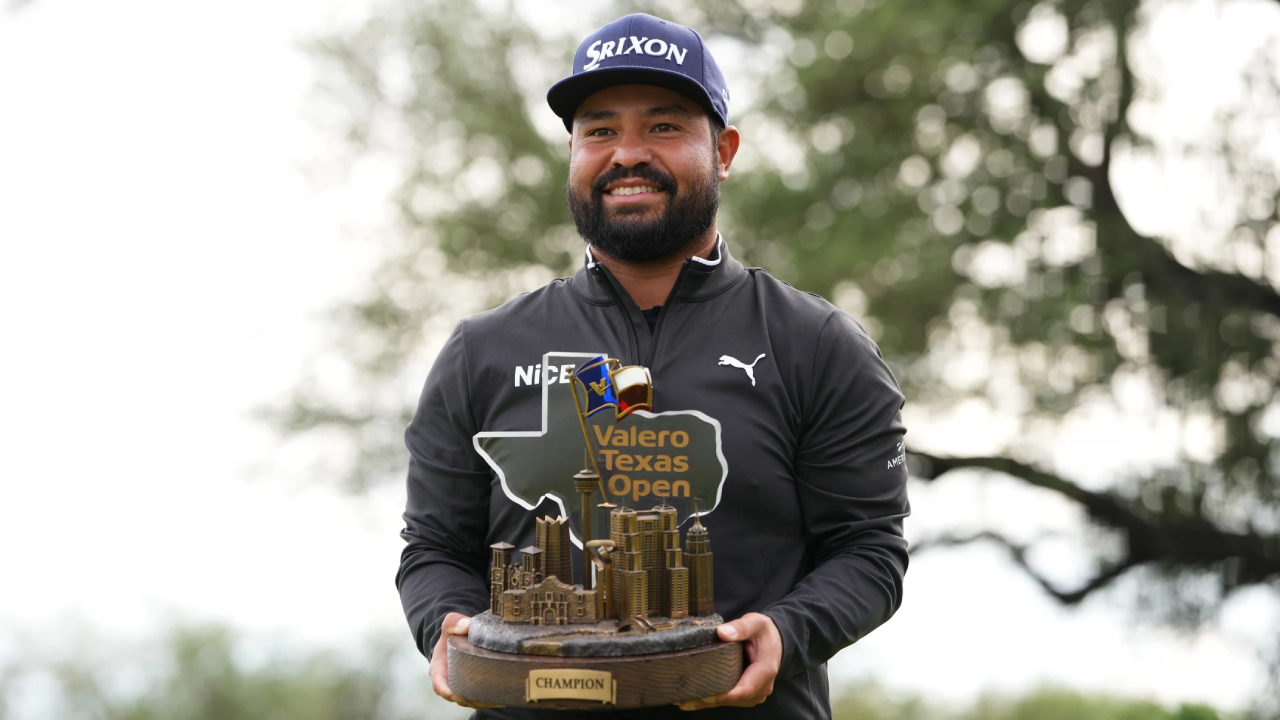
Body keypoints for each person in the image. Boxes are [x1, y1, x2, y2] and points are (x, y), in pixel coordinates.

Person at [397, 13, 910, 719]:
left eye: (663, 126)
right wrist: (446, 625)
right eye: (599, 130)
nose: (627, 153)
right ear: (573, 153)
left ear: (723, 151)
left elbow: (869, 550)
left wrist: (787, 632)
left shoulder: (817, 344)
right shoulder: (481, 351)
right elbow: (431, 549)